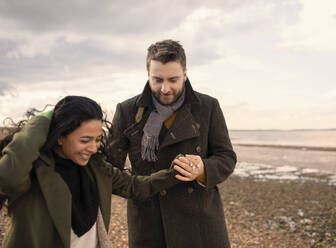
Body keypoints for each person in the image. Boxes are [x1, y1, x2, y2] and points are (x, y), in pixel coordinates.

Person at [0, 95, 195, 248]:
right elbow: (7, 178)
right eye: (85, 140)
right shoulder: (33, 169)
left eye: (97, 139)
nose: (93, 148)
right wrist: (41, 121)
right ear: (60, 136)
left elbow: (136, 187)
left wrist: (176, 171)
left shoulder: (96, 167)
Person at [107, 40, 237, 248]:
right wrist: (138, 187)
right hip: (149, 223)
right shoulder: (127, 110)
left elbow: (226, 157)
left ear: (185, 75)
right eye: (157, 80)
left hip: (199, 222)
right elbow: (109, 168)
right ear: (147, 74)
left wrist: (203, 169)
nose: (165, 88)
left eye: (173, 80)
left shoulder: (208, 107)